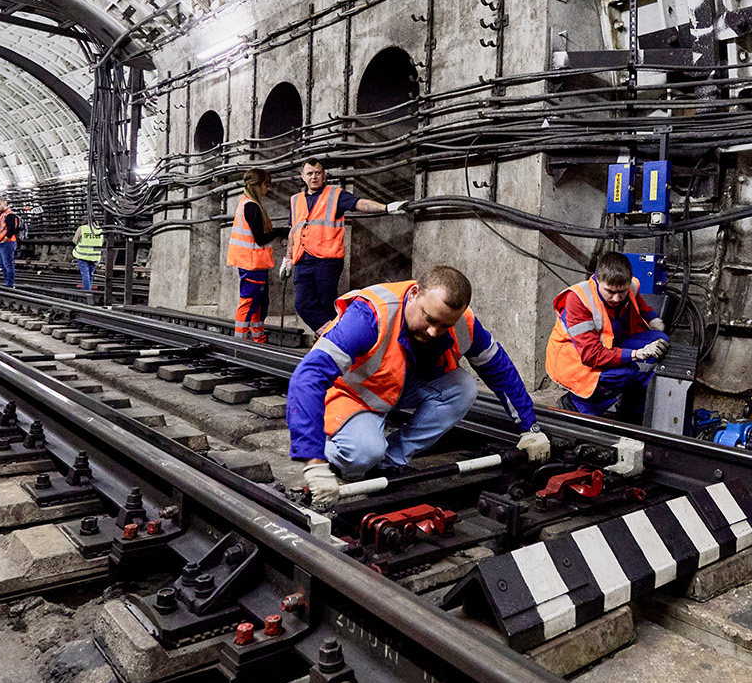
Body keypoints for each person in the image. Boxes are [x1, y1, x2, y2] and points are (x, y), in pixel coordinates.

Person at [286, 264, 551, 507]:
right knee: (363, 454)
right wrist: (313, 461)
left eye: (444, 325)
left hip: (399, 388)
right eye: (429, 318)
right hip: (356, 394)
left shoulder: (463, 323)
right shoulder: (371, 315)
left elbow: (499, 369)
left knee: (464, 387)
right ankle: (335, 452)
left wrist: (530, 428)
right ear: (413, 293)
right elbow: (307, 376)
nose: (435, 331)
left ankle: (389, 462)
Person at [278, 158, 406, 333]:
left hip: (327, 262)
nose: (314, 177)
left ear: (324, 175)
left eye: (318, 173)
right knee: (302, 304)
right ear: (302, 176)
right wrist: (288, 259)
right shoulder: (295, 200)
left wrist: (386, 208)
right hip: (302, 261)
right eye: (310, 173)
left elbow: (360, 204)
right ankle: (335, 337)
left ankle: (330, 341)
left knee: (326, 305)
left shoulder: (335, 195)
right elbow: (294, 231)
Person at [545, 251, 670, 422]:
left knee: (660, 342)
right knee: (625, 373)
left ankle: (632, 412)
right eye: (610, 292)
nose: (617, 298)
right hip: (578, 358)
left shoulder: (629, 287)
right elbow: (591, 355)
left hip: (611, 344)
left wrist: (652, 318)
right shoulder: (578, 300)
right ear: (597, 280)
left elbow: (639, 303)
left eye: (622, 292)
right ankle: (576, 404)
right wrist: (636, 354)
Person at [226, 168, 282, 343]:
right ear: (257, 185)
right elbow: (260, 239)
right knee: (249, 302)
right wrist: (282, 231)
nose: (267, 189)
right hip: (252, 264)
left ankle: (259, 339)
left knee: (258, 303)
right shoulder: (252, 207)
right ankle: (240, 343)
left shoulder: (246, 203)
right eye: (266, 185)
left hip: (254, 264)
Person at [0, 196, 19, 287]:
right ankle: (7, 283)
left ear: (5, 204)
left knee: (8, 264)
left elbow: (11, 230)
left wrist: (4, 240)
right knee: (2, 265)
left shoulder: (9, 215)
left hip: (7, 243)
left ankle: (9, 285)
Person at [72, 212, 104, 292]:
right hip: (94, 256)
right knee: (90, 274)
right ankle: (89, 290)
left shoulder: (81, 228)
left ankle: (87, 292)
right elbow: (101, 242)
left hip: (82, 255)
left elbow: (75, 240)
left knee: (85, 274)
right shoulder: (99, 229)